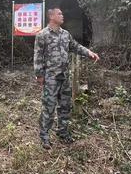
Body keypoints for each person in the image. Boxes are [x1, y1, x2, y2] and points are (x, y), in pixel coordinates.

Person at [34, 8, 100, 149]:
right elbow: (38, 56)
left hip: (64, 77)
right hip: (50, 77)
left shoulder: (65, 34)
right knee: (49, 107)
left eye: (62, 13)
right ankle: (44, 136)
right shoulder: (42, 35)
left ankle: (62, 132)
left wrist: (89, 52)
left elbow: (75, 47)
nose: (62, 16)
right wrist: (39, 74)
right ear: (51, 16)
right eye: (59, 14)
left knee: (65, 106)